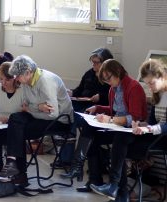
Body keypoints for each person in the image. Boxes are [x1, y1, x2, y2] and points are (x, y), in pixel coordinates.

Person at [61, 59, 147, 200]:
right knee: (90, 131)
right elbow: (115, 110)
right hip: (118, 128)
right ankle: (88, 174)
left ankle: (116, 188)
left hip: (133, 130)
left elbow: (136, 117)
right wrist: (98, 108)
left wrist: (111, 120)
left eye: (109, 78)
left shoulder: (134, 87)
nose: (108, 83)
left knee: (119, 140)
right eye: (105, 80)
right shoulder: (113, 89)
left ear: (118, 72)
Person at [91, 59, 167, 202]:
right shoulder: (158, 95)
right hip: (154, 134)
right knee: (120, 140)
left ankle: (118, 189)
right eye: (147, 83)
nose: (149, 87)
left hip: (163, 139)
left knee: (120, 147)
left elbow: (163, 126)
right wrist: (141, 125)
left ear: (162, 77)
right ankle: (118, 190)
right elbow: (151, 121)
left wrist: (148, 128)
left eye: (151, 83)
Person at [0, 55, 73, 185]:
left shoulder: (45, 82)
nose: (16, 79)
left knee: (19, 130)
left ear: (28, 72)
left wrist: (32, 109)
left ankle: (20, 174)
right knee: (15, 118)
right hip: (41, 115)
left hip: (60, 121)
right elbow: (25, 105)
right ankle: (11, 162)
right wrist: (38, 107)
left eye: (18, 76)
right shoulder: (25, 81)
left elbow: (52, 115)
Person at [53, 47, 113, 170]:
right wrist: (71, 92)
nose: (94, 65)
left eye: (97, 62)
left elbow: (112, 97)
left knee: (73, 118)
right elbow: (79, 90)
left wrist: (100, 96)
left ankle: (68, 159)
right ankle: (65, 157)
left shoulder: (109, 77)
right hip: (83, 103)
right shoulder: (89, 73)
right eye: (93, 62)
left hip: (97, 109)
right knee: (64, 113)